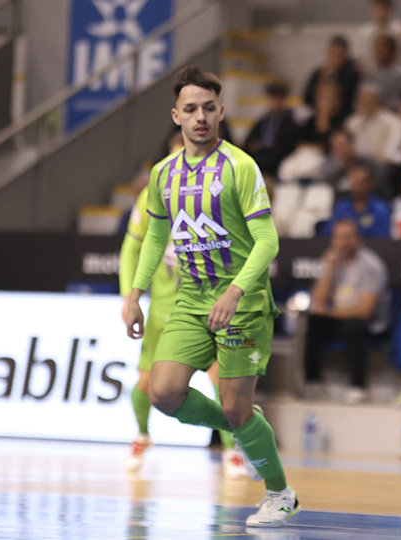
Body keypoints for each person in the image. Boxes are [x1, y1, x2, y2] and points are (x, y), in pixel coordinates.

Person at [123, 67, 297, 527]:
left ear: (220, 112)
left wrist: (237, 291)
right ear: (176, 115)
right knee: (163, 393)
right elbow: (155, 240)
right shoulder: (162, 175)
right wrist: (134, 294)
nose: (200, 117)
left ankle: (280, 493)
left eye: (208, 108)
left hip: (242, 303)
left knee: (238, 406)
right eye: (190, 109)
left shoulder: (241, 167)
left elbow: (268, 241)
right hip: (191, 300)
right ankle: (244, 425)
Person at [119, 134, 248, 478]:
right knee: (147, 383)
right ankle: (142, 435)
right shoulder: (152, 193)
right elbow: (132, 248)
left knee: (222, 377)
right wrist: (128, 296)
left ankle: (231, 449)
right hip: (163, 308)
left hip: (207, 302)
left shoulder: (217, 192)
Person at [305, 219, 390, 404]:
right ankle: (313, 382)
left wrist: (328, 313)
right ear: (333, 240)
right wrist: (328, 268)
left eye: (349, 237)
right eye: (339, 237)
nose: (344, 242)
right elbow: (318, 301)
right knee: (312, 322)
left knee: (353, 327)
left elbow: (366, 310)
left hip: (368, 321)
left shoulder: (370, 265)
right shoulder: (330, 260)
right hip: (338, 315)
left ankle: (357, 386)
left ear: (358, 239)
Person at [244, 82, 301, 181]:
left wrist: (270, 147)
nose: (275, 103)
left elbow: (289, 146)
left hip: (278, 162)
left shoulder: (290, 123)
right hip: (261, 159)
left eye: (278, 99)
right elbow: (249, 142)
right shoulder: (263, 121)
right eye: (273, 98)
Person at [324, 165, 392, 238]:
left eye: (361, 183)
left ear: (370, 184)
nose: (357, 188)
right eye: (354, 183)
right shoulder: (341, 207)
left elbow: (383, 238)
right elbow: (328, 234)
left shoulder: (381, 209)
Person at [303, 36, 360, 119]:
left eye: (340, 54)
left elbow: (349, 99)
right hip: (317, 114)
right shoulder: (318, 72)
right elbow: (307, 97)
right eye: (334, 53)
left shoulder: (352, 74)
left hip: (342, 116)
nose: (336, 57)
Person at [345, 83, 401, 163]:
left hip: (380, 162)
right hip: (357, 163)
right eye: (362, 102)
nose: (366, 105)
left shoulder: (392, 121)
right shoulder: (352, 122)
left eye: (370, 101)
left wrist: (385, 157)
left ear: (378, 102)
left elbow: (393, 143)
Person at [366, 35, 401, 109]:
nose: (376, 52)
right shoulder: (371, 74)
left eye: (380, 48)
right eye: (375, 48)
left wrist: (386, 106)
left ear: (391, 50)